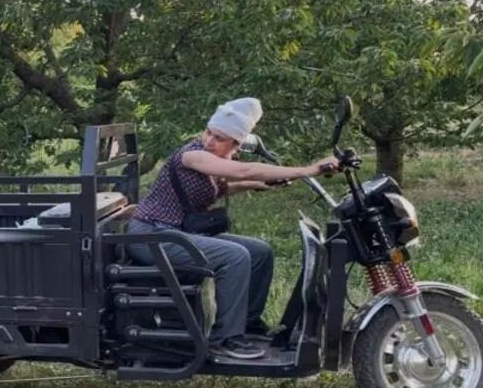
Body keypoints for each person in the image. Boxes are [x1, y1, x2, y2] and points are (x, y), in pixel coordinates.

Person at [126, 97, 339, 360]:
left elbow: (217, 187)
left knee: (260, 252)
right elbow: (243, 169)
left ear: (236, 143)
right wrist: (309, 170)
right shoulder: (193, 154)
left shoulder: (214, 159)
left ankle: (248, 322)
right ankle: (225, 338)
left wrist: (252, 185)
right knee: (234, 256)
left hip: (175, 234)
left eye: (219, 138)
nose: (209, 140)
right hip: (151, 236)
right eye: (208, 132)